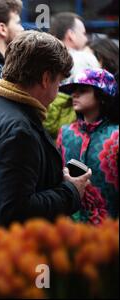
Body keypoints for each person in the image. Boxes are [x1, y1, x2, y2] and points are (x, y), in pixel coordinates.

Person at [0, 31, 92, 236]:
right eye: (59, 83)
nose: (58, 92)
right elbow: (15, 211)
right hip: (6, 256)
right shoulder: (19, 129)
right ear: (46, 78)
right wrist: (71, 191)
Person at [56, 68, 118, 224]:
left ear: (101, 96)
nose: (74, 95)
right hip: (70, 228)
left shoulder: (116, 135)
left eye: (83, 90)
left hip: (110, 230)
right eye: (73, 91)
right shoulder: (65, 133)